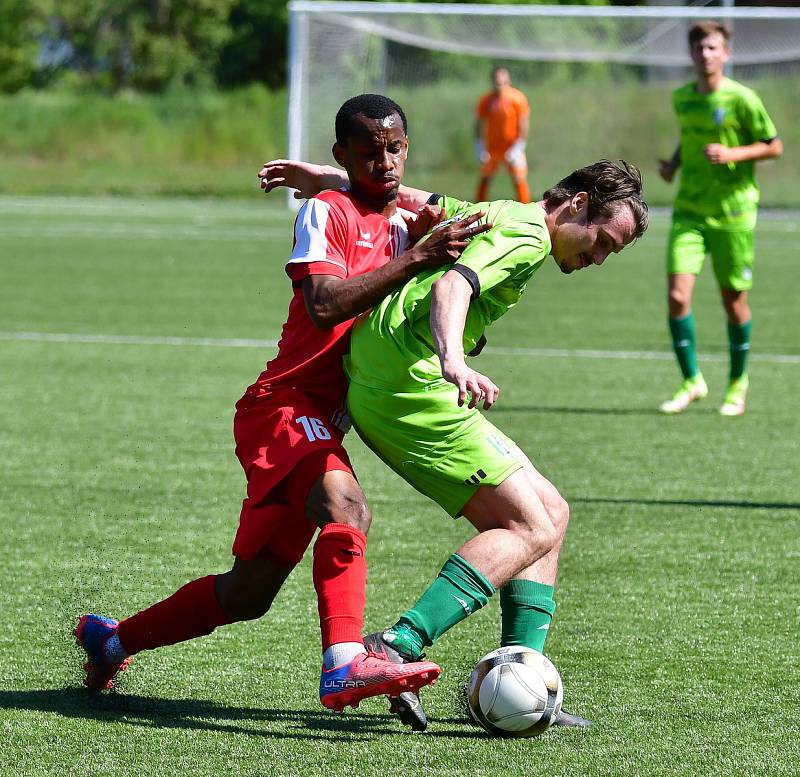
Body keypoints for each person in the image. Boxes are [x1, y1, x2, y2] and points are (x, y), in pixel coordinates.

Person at [74, 94, 491, 716]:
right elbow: (323, 304)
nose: (386, 162)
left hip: (324, 419)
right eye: (369, 151)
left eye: (395, 148)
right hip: (283, 405)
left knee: (249, 594)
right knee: (346, 504)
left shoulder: (409, 223)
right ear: (342, 155)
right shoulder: (328, 212)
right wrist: (415, 260)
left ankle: (113, 642)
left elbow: (429, 249)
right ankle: (345, 663)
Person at [267, 158, 649, 729]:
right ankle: (396, 646)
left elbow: (417, 200)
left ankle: (525, 669)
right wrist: (454, 359)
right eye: (601, 242)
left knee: (552, 514)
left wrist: (324, 178)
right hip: (407, 388)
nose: (596, 258)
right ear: (576, 204)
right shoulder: (525, 237)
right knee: (529, 528)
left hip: (392, 375)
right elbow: (453, 284)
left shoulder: (505, 212)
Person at [657, 20, 782, 416]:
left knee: (733, 302)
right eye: (699, 48)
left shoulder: (743, 99)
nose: (705, 54)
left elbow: (773, 146)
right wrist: (674, 163)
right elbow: (688, 136)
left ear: (725, 53)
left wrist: (734, 154)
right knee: (677, 297)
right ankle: (692, 380)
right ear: (691, 54)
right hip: (689, 211)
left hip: (733, 214)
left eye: (713, 48)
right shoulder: (682, 98)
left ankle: (737, 384)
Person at [474, 66, 531, 204]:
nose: (500, 84)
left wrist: (518, 147)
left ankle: (526, 211)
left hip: (512, 147)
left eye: (503, 80)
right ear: (492, 80)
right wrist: (479, 147)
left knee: (519, 178)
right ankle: (477, 209)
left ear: (508, 80)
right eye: (497, 80)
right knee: (485, 178)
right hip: (492, 148)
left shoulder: (517, 98)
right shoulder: (486, 100)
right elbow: (478, 124)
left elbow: (524, 124)